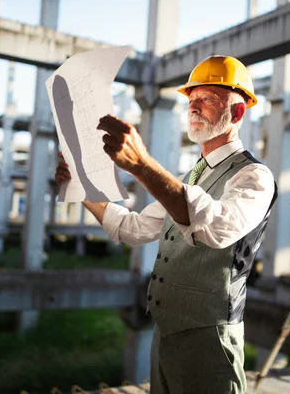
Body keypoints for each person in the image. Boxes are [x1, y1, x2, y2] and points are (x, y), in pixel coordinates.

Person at [55, 55, 277, 393]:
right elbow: (133, 227)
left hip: (210, 337)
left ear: (237, 113)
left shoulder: (254, 177)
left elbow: (218, 227)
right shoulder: (190, 178)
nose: (195, 107)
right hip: (166, 331)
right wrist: (81, 189)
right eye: (191, 99)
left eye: (208, 99)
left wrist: (142, 165)